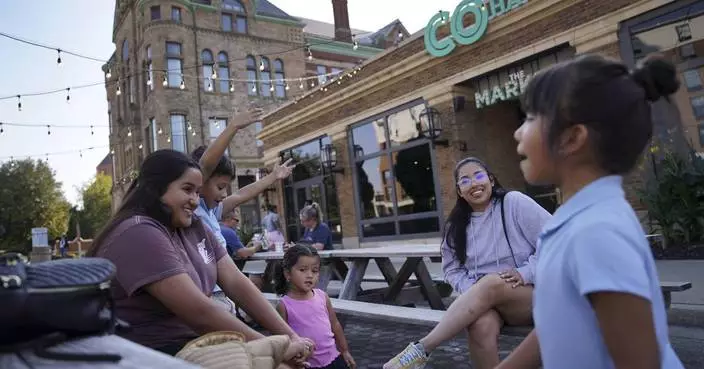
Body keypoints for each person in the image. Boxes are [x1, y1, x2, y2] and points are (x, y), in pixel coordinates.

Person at [497, 54, 683, 369]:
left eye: (529, 118)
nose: (517, 132)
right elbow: (563, 321)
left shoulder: (595, 233)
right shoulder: (579, 222)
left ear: (572, 138)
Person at [87, 150, 314, 367]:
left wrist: (290, 336)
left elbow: (237, 283)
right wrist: (273, 347)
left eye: (197, 191)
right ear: (155, 189)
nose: (195, 200)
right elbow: (198, 312)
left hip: (197, 344)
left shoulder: (194, 226)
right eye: (187, 189)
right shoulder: (139, 232)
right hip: (152, 353)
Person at [383, 157, 550, 369]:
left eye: (479, 176)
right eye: (465, 180)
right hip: (489, 302)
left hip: (531, 296)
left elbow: (556, 241)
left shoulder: (513, 203)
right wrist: (473, 291)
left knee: (491, 283)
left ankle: (422, 348)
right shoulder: (457, 225)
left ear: (491, 179)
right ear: (460, 191)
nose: (474, 183)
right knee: (479, 327)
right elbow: (452, 269)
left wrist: (526, 272)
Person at [190, 109, 294, 309]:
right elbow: (205, 164)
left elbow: (241, 195)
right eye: (220, 187)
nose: (223, 194)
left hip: (223, 291)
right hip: (208, 294)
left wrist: (272, 177)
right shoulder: (194, 209)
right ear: (199, 181)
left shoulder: (211, 210)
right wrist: (233, 127)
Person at [275, 244, 356, 369]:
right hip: (306, 364)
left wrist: (344, 351)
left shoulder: (322, 296)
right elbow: (281, 340)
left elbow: (335, 325)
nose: (309, 275)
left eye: (314, 270)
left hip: (334, 358)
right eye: (302, 270)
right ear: (287, 274)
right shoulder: (284, 305)